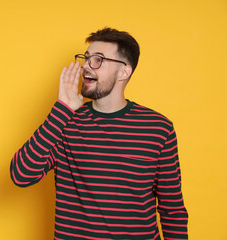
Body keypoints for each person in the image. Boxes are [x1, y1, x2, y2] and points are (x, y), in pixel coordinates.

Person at [10, 27, 188, 240]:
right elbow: (21, 175)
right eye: (86, 58)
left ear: (124, 72)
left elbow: (173, 210)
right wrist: (62, 108)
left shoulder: (158, 128)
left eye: (98, 59)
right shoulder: (65, 122)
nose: (86, 65)